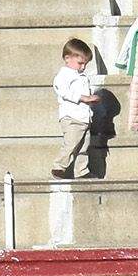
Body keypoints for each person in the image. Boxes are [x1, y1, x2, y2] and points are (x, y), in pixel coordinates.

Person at [50, 38, 100, 180]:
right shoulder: (64, 75)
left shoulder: (81, 76)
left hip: (84, 118)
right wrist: (83, 98)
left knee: (84, 147)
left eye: (85, 64)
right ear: (67, 58)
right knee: (71, 143)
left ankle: (82, 171)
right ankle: (59, 167)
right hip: (71, 118)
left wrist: (91, 101)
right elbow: (62, 91)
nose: (83, 67)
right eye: (80, 63)